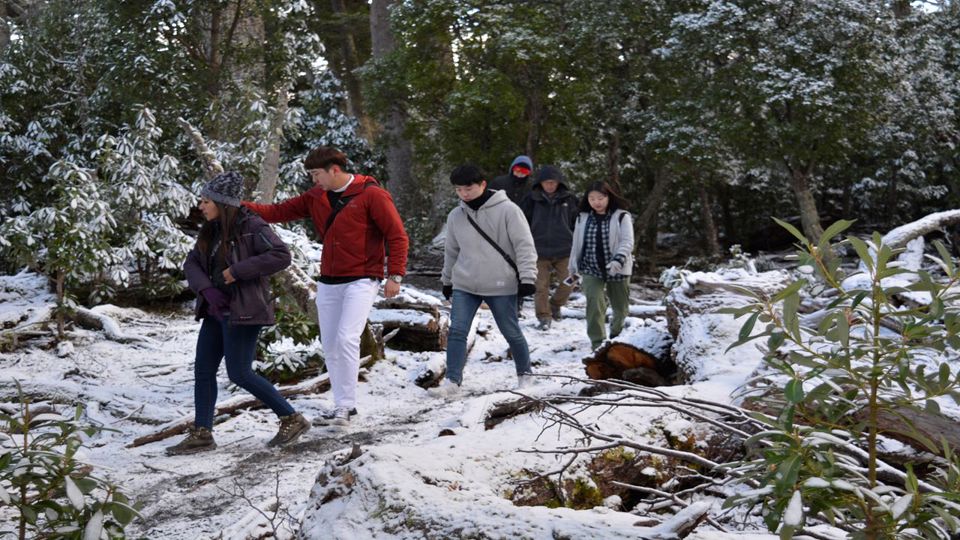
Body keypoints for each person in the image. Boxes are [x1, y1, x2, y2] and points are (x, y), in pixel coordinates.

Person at [242, 147, 408, 426]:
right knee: (330, 343)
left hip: (363, 278)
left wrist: (396, 275)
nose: (313, 180)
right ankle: (343, 407)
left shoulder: (371, 194)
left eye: (316, 174)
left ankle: (346, 405)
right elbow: (277, 212)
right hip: (329, 280)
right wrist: (240, 207)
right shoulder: (316, 196)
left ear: (334, 170)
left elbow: (397, 235)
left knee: (346, 337)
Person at [168, 171, 309, 455]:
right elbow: (192, 263)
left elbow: (281, 255)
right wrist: (206, 290)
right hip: (215, 310)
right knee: (204, 371)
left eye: (206, 200)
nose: (201, 206)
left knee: (240, 373)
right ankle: (202, 433)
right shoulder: (212, 229)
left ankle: (292, 418)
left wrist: (237, 271)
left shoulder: (252, 226)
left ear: (222, 202)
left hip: (244, 310)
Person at [432, 164, 538, 396]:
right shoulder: (456, 216)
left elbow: (524, 245)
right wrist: (447, 280)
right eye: (458, 190)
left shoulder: (508, 210)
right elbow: (451, 251)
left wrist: (528, 277)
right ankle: (452, 381)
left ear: (482, 184)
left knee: (510, 331)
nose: (464, 194)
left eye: (468, 188)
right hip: (465, 283)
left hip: (501, 282)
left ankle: (525, 374)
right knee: (457, 331)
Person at [568, 181, 634, 349]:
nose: (596, 202)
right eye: (592, 198)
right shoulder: (582, 218)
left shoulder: (621, 216)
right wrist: (573, 268)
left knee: (620, 308)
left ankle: (616, 335)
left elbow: (627, 241)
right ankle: (597, 343)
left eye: (600, 198)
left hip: (617, 268)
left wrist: (618, 259)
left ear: (609, 197)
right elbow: (576, 244)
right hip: (590, 268)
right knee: (594, 303)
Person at [520, 165, 579, 330]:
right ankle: (544, 317)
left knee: (571, 281)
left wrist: (575, 240)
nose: (550, 185)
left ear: (559, 183)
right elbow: (521, 222)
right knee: (540, 287)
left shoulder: (570, 199)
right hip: (538, 251)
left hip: (565, 250)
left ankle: (555, 304)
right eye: (547, 182)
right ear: (541, 183)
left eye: (553, 182)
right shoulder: (531, 199)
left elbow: (578, 223)